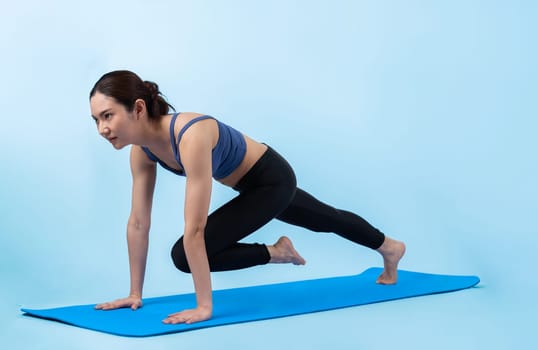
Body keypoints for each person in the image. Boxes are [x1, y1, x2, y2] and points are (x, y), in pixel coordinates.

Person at [89, 70, 406, 325]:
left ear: (139, 109)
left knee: (185, 253)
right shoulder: (142, 153)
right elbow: (138, 223)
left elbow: (195, 229)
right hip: (250, 188)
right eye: (97, 120)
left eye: (108, 115)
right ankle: (389, 247)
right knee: (325, 218)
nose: (102, 128)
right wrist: (134, 293)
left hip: (273, 180)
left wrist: (204, 307)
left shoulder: (189, 134)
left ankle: (279, 252)